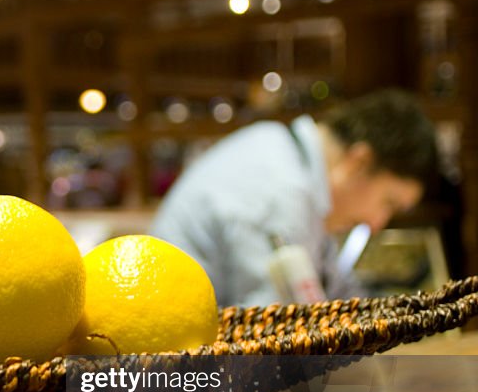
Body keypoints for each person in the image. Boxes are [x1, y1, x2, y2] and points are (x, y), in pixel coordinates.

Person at [150, 89, 440, 307]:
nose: (377, 223)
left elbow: (333, 292)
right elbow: (274, 336)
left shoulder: (285, 152)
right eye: (388, 203)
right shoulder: (282, 193)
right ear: (359, 162)